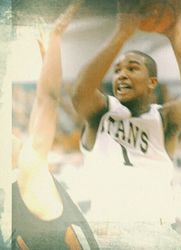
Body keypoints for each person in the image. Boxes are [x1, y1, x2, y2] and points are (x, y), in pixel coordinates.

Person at [72, 0, 181, 249]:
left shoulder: (164, 120)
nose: (122, 74)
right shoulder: (101, 112)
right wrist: (122, 33)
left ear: (152, 83)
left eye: (132, 68)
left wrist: (177, 38)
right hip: (107, 232)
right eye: (117, 70)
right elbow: (79, 93)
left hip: (156, 234)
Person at [12, 3, 99, 249]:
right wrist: (56, 39)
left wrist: (46, 62)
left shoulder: (24, 182)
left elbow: (46, 102)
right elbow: (48, 99)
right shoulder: (28, 172)